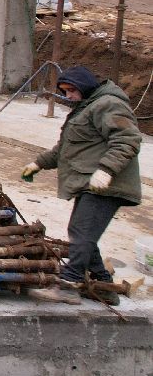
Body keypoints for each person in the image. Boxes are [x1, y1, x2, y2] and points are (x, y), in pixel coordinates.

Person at [22, 66, 143, 305]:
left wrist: (106, 170)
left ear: (84, 86)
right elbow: (68, 147)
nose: (68, 96)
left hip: (107, 185)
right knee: (82, 233)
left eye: (71, 91)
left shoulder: (108, 104)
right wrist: (39, 163)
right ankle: (104, 285)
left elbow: (128, 139)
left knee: (82, 234)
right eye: (65, 92)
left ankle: (68, 285)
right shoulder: (86, 107)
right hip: (92, 182)